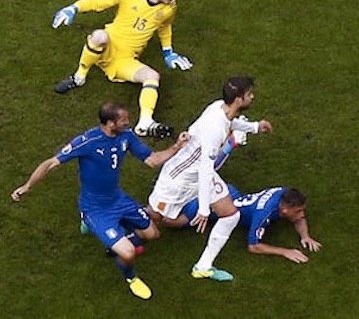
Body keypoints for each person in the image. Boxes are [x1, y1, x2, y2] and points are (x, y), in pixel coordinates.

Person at [11, 102, 190, 300]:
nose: (128, 122)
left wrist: (177, 146)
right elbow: (51, 163)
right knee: (129, 253)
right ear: (110, 123)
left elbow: (152, 160)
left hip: (118, 199)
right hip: (95, 209)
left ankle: (115, 240)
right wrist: (27, 186)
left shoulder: (126, 135)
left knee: (153, 234)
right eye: (123, 120)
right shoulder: (88, 141)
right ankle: (131, 277)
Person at [146, 76, 273, 281]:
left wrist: (255, 127)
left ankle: (203, 266)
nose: (253, 96)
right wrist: (204, 209)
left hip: (199, 174)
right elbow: (206, 169)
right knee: (155, 217)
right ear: (239, 99)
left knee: (231, 215)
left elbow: (231, 122)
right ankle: (113, 219)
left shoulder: (219, 107)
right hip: (179, 179)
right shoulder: (215, 130)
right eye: (249, 94)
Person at [51, 0, 192, 139]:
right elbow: (99, 1)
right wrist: (73, 8)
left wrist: (168, 52)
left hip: (125, 61)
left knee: (152, 76)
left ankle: (145, 123)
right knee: (99, 36)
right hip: (107, 47)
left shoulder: (169, 7)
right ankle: (79, 77)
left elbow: (164, 26)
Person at [165, 185, 322, 263]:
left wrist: (305, 236)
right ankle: (163, 201)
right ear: (286, 210)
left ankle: (190, 190)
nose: (302, 215)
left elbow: (299, 218)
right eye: (299, 211)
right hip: (219, 207)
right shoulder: (264, 213)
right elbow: (253, 246)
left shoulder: (285, 194)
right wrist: (284, 251)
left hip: (230, 193)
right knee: (171, 222)